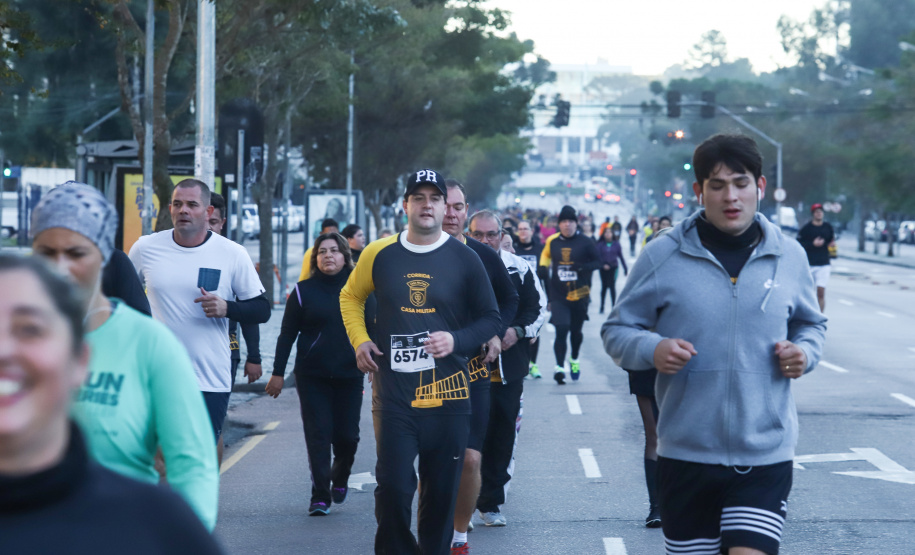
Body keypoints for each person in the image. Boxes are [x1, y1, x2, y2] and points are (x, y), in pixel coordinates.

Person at [602, 133, 827, 555]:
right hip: (686, 454)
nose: (731, 196)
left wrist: (805, 353)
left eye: (741, 183)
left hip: (765, 453)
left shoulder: (790, 255)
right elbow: (617, 331)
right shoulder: (662, 254)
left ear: (759, 187)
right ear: (698, 190)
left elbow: (811, 326)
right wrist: (653, 349)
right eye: (717, 185)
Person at [0, 254, 223, 554]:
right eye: (49, 250)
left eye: (29, 329)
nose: (5, 350)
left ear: (79, 361)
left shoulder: (156, 526)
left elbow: (191, 460)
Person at [30, 182, 218, 530]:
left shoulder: (149, 344)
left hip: (122, 531)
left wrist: (187, 538)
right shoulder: (11, 339)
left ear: (103, 257)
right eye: (45, 253)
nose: (60, 267)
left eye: (76, 253)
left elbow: (192, 465)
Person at [339, 169, 501, 555]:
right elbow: (350, 297)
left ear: (446, 207)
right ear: (406, 205)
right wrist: (360, 341)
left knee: (440, 498)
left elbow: (491, 318)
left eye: (434, 198)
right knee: (393, 489)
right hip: (395, 397)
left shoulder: (466, 258)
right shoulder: (379, 253)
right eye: (418, 198)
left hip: (448, 397)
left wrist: (456, 340)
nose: (426, 205)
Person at [129, 179, 271, 445]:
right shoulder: (145, 248)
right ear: (170, 208)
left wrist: (227, 307)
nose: (183, 210)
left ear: (208, 213)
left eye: (192, 204)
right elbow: (123, 301)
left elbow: (262, 310)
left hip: (210, 377)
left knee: (198, 459)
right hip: (159, 375)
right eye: (178, 204)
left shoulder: (232, 254)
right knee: (160, 459)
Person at [266, 232, 365, 516]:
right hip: (312, 376)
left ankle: (341, 476)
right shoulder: (302, 291)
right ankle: (320, 496)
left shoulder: (360, 288)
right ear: (315, 258)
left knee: (348, 437)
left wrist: (377, 362)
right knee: (318, 435)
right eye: (322, 252)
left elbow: (373, 326)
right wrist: (277, 373)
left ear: (346, 256)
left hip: (350, 374)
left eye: (334, 251)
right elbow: (287, 334)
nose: (328, 256)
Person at [442, 180, 519, 544]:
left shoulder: (482, 255)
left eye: (459, 207)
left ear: (466, 210)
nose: (451, 214)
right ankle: (440, 522)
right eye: (446, 206)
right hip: (426, 373)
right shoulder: (399, 254)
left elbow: (509, 298)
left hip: (474, 370)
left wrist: (495, 330)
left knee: (471, 458)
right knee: (436, 459)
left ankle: (459, 534)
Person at [468, 210, 546, 542]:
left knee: (501, 435)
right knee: (467, 437)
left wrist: (517, 330)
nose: (485, 241)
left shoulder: (520, 267)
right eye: (478, 235)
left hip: (507, 369)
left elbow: (539, 309)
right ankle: (462, 502)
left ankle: (491, 503)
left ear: (502, 235)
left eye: (491, 234)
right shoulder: (458, 263)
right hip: (465, 369)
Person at [539, 205, 600, 384]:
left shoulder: (586, 242)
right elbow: (545, 256)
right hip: (559, 294)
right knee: (561, 328)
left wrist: (583, 267)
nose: (567, 225)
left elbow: (598, 261)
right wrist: (542, 268)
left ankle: (574, 358)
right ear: (559, 224)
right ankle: (559, 367)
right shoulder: (553, 241)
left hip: (580, 294)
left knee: (575, 331)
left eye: (570, 222)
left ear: (576, 223)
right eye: (564, 222)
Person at [797, 203, 835, 312]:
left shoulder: (828, 227)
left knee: (821, 292)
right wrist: (813, 244)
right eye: (817, 212)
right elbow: (799, 244)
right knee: (808, 293)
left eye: (821, 212)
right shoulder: (806, 228)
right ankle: (807, 314)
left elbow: (831, 241)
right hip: (810, 264)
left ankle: (820, 316)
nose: (819, 214)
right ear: (813, 214)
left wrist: (831, 246)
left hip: (824, 264)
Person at [597, 225, 628, 313]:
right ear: (603, 234)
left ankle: (613, 306)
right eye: (606, 232)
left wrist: (625, 268)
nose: (608, 234)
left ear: (612, 234)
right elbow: (597, 257)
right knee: (604, 287)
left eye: (609, 232)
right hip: (603, 268)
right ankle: (602, 306)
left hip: (613, 268)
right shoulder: (600, 245)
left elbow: (621, 257)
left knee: (612, 287)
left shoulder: (616, 244)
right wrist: (602, 265)